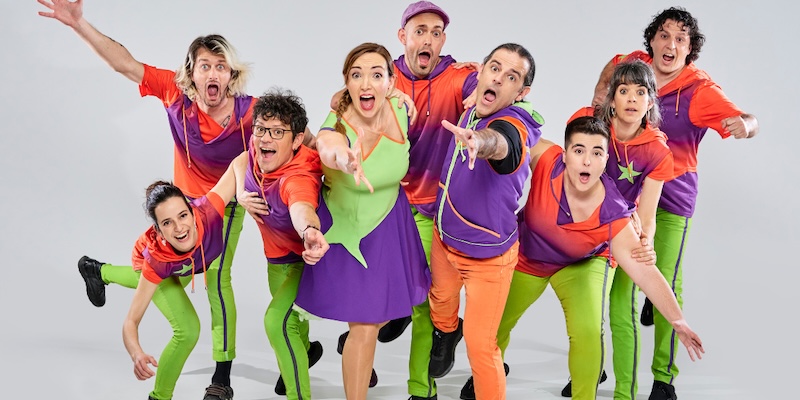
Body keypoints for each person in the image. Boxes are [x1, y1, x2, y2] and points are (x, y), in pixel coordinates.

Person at [38, 1, 258, 396]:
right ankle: (100, 271)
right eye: (204, 65)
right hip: (183, 210)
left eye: (220, 66)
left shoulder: (251, 111)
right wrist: (78, 24)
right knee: (167, 270)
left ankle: (221, 376)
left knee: (216, 279)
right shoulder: (176, 94)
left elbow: (297, 135)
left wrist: (335, 154)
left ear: (231, 74)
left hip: (225, 204)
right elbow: (125, 64)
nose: (212, 73)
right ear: (191, 73)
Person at [466, 116, 704, 400]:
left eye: (597, 153)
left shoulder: (614, 214)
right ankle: (487, 375)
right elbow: (513, 141)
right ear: (565, 154)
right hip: (529, 258)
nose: (587, 161)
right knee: (491, 327)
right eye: (579, 150)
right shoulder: (546, 159)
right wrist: (480, 140)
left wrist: (678, 321)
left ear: (605, 161)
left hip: (582, 264)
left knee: (588, 332)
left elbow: (645, 272)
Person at [590, 7, 759, 399]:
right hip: (626, 197)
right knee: (610, 287)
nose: (671, 44)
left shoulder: (699, 91)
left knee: (664, 280)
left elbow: (747, 119)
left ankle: (663, 378)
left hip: (673, 198)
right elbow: (611, 67)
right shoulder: (631, 66)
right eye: (664, 35)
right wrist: (599, 95)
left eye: (681, 39)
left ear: (690, 49)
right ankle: (597, 368)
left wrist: (746, 125)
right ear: (652, 40)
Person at [330, 3, 479, 400]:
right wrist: (387, 89)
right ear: (403, 37)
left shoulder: (457, 75)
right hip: (386, 206)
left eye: (435, 32)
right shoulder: (383, 73)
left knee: (425, 298)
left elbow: (484, 92)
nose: (427, 38)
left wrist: (487, 83)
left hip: (432, 208)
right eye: (419, 31)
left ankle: (421, 389)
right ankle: (379, 330)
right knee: (373, 301)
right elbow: (341, 99)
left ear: (443, 40)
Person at [293, 42, 431, 400]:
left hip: (391, 225)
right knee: (366, 325)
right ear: (347, 83)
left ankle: (357, 334)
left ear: (390, 82)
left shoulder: (400, 108)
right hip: (349, 227)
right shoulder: (335, 123)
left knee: (382, 314)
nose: (366, 84)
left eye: (376, 75)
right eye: (356, 76)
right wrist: (344, 159)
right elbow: (329, 146)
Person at [427, 43, 542, 400]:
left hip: (488, 258)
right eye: (494, 68)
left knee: (481, 347)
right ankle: (446, 331)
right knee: (440, 300)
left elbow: (504, 145)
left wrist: (480, 141)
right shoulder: (475, 98)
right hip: (444, 238)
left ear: (521, 93)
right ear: (481, 70)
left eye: (512, 77)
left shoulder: (515, 124)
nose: (499, 78)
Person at [560, 60, 674, 399]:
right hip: (585, 230)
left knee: (622, 312)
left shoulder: (657, 150)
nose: (632, 99)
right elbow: (572, 174)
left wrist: (646, 241)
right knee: (588, 315)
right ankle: (589, 375)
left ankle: (626, 393)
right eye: (623, 90)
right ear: (612, 98)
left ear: (651, 102)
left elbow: (648, 213)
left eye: (640, 92)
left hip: (623, 234)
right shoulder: (589, 124)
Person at [236, 89, 328, 400]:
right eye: (261, 129)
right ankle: (306, 352)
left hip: (305, 260)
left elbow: (301, 206)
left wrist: (309, 230)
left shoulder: (298, 176)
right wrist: (240, 192)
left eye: (278, 132)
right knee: (294, 324)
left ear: (297, 140)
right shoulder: (258, 147)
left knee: (277, 322)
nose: (266, 138)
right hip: (275, 258)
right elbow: (241, 159)